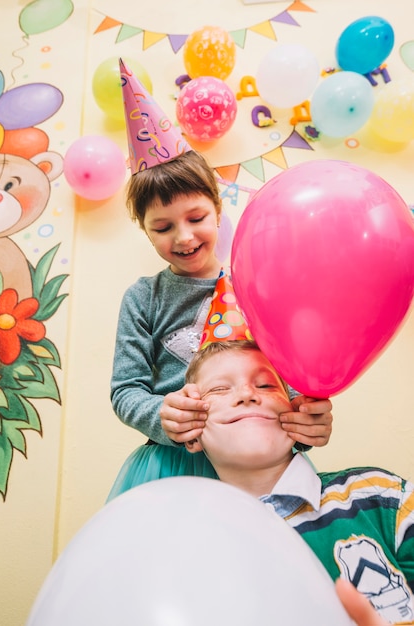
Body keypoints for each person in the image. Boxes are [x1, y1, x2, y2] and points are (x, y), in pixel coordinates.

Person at [107, 59, 333, 500]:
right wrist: (162, 415)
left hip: (265, 463)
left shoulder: (260, 288)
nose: (184, 236)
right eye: (163, 227)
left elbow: (290, 383)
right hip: (172, 469)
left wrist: (307, 420)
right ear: (144, 229)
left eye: (196, 217)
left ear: (217, 207)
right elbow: (125, 390)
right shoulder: (143, 298)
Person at [184, 340, 414, 625]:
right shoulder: (193, 549)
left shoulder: (380, 495)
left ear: (296, 410)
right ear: (189, 429)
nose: (246, 394)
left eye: (266, 386)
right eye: (219, 389)